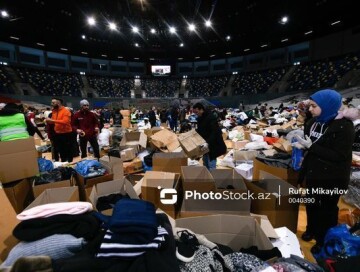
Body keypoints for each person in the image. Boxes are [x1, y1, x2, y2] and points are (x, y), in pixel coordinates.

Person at [292, 89, 354, 255]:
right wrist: (304, 153)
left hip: (332, 177)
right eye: (310, 105)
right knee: (312, 204)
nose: (310, 109)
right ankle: (311, 228)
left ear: (327, 106)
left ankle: (322, 239)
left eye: (314, 106)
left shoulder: (344, 127)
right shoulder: (312, 123)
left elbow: (339, 155)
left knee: (326, 210)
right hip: (314, 173)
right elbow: (309, 146)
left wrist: (312, 147)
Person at [192, 102, 227, 170]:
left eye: (197, 112)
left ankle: (212, 179)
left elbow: (214, 132)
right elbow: (200, 130)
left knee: (211, 165)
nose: (196, 114)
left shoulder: (211, 117)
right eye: (195, 113)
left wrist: (207, 142)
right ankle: (208, 178)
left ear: (201, 109)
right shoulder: (200, 119)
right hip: (205, 145)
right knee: (205, 164)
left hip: (213, 144)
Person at [46, 98, 73, 162]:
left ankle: (70, 162)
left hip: (66, 133)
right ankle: (63, 162)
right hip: (57, 133)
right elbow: (53, 121)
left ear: (58, 103)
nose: (51, 104)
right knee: (61, 149)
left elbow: (65, 121)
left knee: (68, 149)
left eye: (53, 103)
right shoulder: (54, 111)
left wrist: (52, 120)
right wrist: (48, 121)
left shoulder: (66, 111)